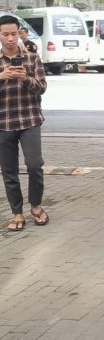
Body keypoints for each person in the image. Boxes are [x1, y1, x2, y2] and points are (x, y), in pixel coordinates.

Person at [0, 15, 48, 232]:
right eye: (5, 34)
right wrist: (2, 76)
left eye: (14, 33)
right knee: (8, 170)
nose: (10, 38)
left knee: (35, 165)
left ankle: (36, 206)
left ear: (19, 33)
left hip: (30, 119)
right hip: (3, 122)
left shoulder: (32, 58)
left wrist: (24, 78)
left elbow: (42, 87)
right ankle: (17, 212)